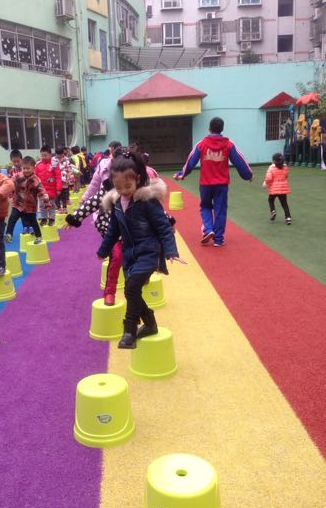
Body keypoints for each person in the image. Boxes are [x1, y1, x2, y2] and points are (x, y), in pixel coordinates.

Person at [97, 150, 186, 349]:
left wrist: (171, 251)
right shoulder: (117, 203)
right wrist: (103, 250)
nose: (123, 191)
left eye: (128, 186)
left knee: (131, 288)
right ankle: (150, 324)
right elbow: (113, 230)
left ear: (137, 179)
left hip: (148, 253)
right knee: (131, 291)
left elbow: (163, 227)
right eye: (118, 187)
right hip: (130, 255)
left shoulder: (147, 201)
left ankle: (129, 331)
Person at [175, 117, 252, 247]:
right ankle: (218, 240)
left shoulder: (201, 144)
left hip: (205, 184)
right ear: (222, 129)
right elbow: (239, 161)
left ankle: (208, 229)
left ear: (209, 129)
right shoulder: (229, 144)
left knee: (205, 206)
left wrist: (182, 174)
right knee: (220, 210)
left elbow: (191, 160)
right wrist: (247, 175)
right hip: (221, 185)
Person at [64, 177, 121, 306]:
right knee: (116, 257)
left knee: (140, 255)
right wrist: (74, 218)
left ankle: (142, 275)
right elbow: (91, 203)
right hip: (112, 229)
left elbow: (152, 208)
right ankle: (109, 292)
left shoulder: (138, 187)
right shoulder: (108, 189)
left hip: (135, 230)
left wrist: (165, 222)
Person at [5, 156, 50, 243]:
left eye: (28, 168)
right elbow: (10, 184)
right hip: (18, 203)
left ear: (33, 168)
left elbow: (41, 189)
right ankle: (8, 234)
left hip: (30, 205)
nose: (25, 170)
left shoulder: (36, 180)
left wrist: (44, 196)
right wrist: (8, 191)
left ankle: (38, 236)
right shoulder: (17, 176)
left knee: (33, 221)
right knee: (12, 218)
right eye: (24, 168)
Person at [35, 144, 62, 226]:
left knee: (51, 205)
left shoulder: (54, 164)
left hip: (51, 190)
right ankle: (44, 218)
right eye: (42, 155)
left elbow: (58, 177)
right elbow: (35, 177)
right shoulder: (38, 165)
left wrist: (59, 189)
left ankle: (51, 219)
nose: (43, 157)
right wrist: (35, 188)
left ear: (50, 154)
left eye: (45, 155)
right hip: (41, 190)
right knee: (42, 205)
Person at [263, 153, 292, 225]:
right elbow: (286, 176)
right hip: (283, 188)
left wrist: (265, 183)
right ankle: (288, 218)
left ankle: (273, 211)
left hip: (274, 189)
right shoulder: (285, 167)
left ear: (273, 161)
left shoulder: (271, 168)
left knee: (270, 200)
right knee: (284, 203)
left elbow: (269, 178)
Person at [52, 146, 74, 213]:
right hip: (56, 180)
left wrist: (70, 177)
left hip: (65, 179)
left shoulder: (66, 159)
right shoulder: (53, 159)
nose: (59, 156)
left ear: (63, 153)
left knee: (64, 194)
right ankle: (58, 207)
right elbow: (52, 169)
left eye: (61, 154)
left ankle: (64, 207)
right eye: (58, 154)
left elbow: (69, 168)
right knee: (57, 194)